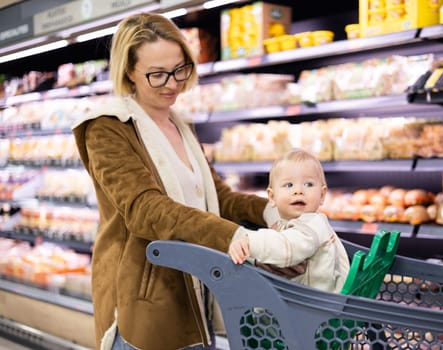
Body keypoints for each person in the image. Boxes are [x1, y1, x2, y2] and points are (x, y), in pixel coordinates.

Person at [72, 12, 301, 350]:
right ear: (128, 71)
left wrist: (273, 211)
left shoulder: (179, 124)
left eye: (180, 69)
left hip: (196, 291)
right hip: (144, 304)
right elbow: (145, 209)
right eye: (157, 75)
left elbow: (218, 197)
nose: (172, 84)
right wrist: (234, 235)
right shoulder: (109, 127)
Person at [229, 148, 350, 293]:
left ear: (322, 195)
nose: (298, 191)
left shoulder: (313, 224)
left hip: (315, 310)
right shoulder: (284, 224)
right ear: (272, 197)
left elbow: (286, 247)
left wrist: (250, 242)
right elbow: (275, 258)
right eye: (289, 185)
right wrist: (251, 258)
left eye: (308, 184)